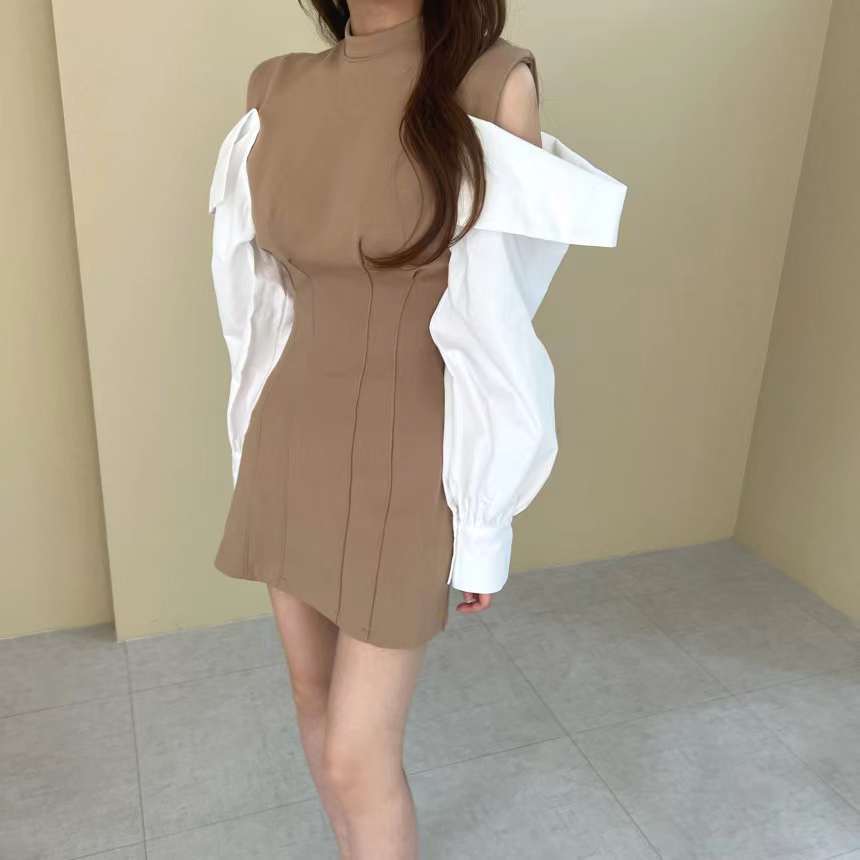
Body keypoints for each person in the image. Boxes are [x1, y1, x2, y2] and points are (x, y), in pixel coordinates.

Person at [207, 1, 626, 857]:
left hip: (410, 453)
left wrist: (482, 522)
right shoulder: (273, 89)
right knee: (312, 703)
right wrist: (247, 439)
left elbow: (496, 328)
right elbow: (256, 301)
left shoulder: (492, 83)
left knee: (358, 754)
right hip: (289, 435)